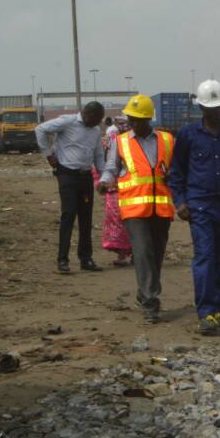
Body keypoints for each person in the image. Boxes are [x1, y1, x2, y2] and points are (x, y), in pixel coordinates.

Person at [169, 79, 220, 336]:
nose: (214, 112)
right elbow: (176, 172)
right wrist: (180, 202)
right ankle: (205, 312)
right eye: (210, 108)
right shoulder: (187, 135)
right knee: (205, 256)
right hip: (200, 207)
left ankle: (216, 309)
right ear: (201, 109)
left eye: (218, 107)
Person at [99, 96, 175, 324]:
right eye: (132, 119)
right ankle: (151, 303)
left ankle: (144, 293)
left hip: (161, 208)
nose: (134, 124)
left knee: (156, 255)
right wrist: (104, 181)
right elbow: (111, 167)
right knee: (142, 253)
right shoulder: (120, 141)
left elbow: (178, 168)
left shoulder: (168, 140)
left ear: (148, 119)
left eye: (139, 120)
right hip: (133, 208)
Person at [35, 101, 106, 273]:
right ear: (88, 114)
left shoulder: (96, 131)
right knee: (68, 216)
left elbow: (98, 155)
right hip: (67, 175)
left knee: (86, 218)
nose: (98, 123)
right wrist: (49, 155)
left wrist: (103, 177)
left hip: (85, 177)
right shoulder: (67, 122)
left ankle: (86, 258)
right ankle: (62, 260)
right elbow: (40, 129)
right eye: (97, 119)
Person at [100, 116, 133, 265]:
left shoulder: (130, 139)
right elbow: (107, 160)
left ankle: (132, 254)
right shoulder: (112, 138)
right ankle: (124, 254)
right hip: (115, 185)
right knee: (118, 220)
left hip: (130, 186)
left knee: (131, 220)